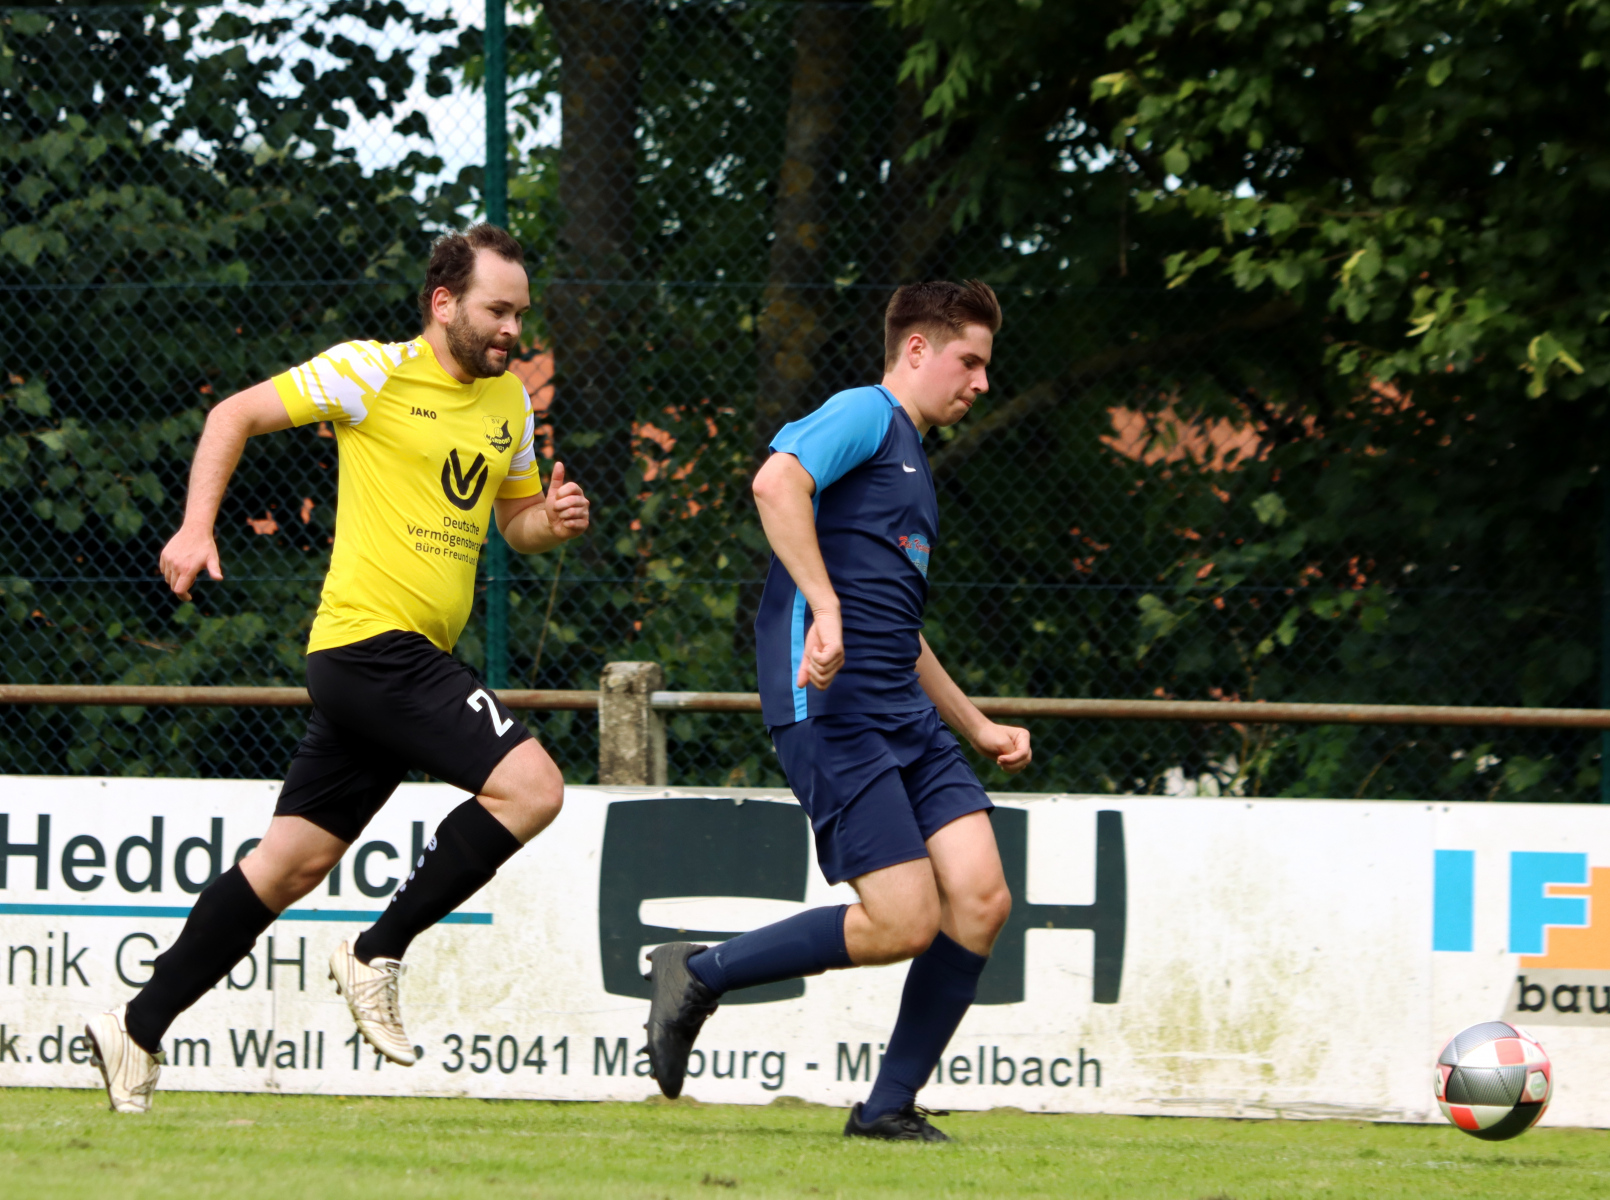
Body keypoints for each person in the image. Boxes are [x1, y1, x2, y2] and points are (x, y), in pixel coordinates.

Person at [84, 224, 590, 1113]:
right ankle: (374, 951)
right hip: (371, 647)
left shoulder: (510, 402)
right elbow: (231, 415)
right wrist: (196, 528)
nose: (513, 329)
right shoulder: (369, 371)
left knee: (288, 865)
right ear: (444, 303)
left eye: (520, 313)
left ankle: (136, 1028)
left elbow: (514, 524)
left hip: (402, 664)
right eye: (497, 311)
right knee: (534, 788)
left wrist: (551, 521)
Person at [645, 280, 1030, 1141]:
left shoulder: (913, 464)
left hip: (904, 713)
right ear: (917, 350)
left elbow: (899, 627)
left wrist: (976, 726)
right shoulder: (866, 412)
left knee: (981, 898)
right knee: (903, 920)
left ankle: (886, 1109)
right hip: (832, 709)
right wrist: (822, 607)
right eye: (970, 361)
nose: (982, 382)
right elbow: (774, 482)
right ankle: (699, 972)